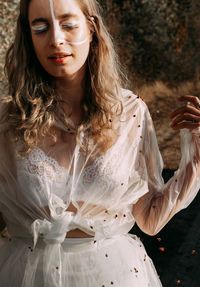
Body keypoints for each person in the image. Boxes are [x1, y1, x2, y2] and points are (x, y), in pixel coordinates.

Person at [0, 0, 200, 286]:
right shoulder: (8, 119)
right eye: (41, 28)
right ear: (28, 37)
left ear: (92, 29)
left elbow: (150, 219)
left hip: (114, 275)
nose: (56, 40)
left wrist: (197, 154)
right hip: (26, 275)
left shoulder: (131, 113)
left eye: (69, 25)